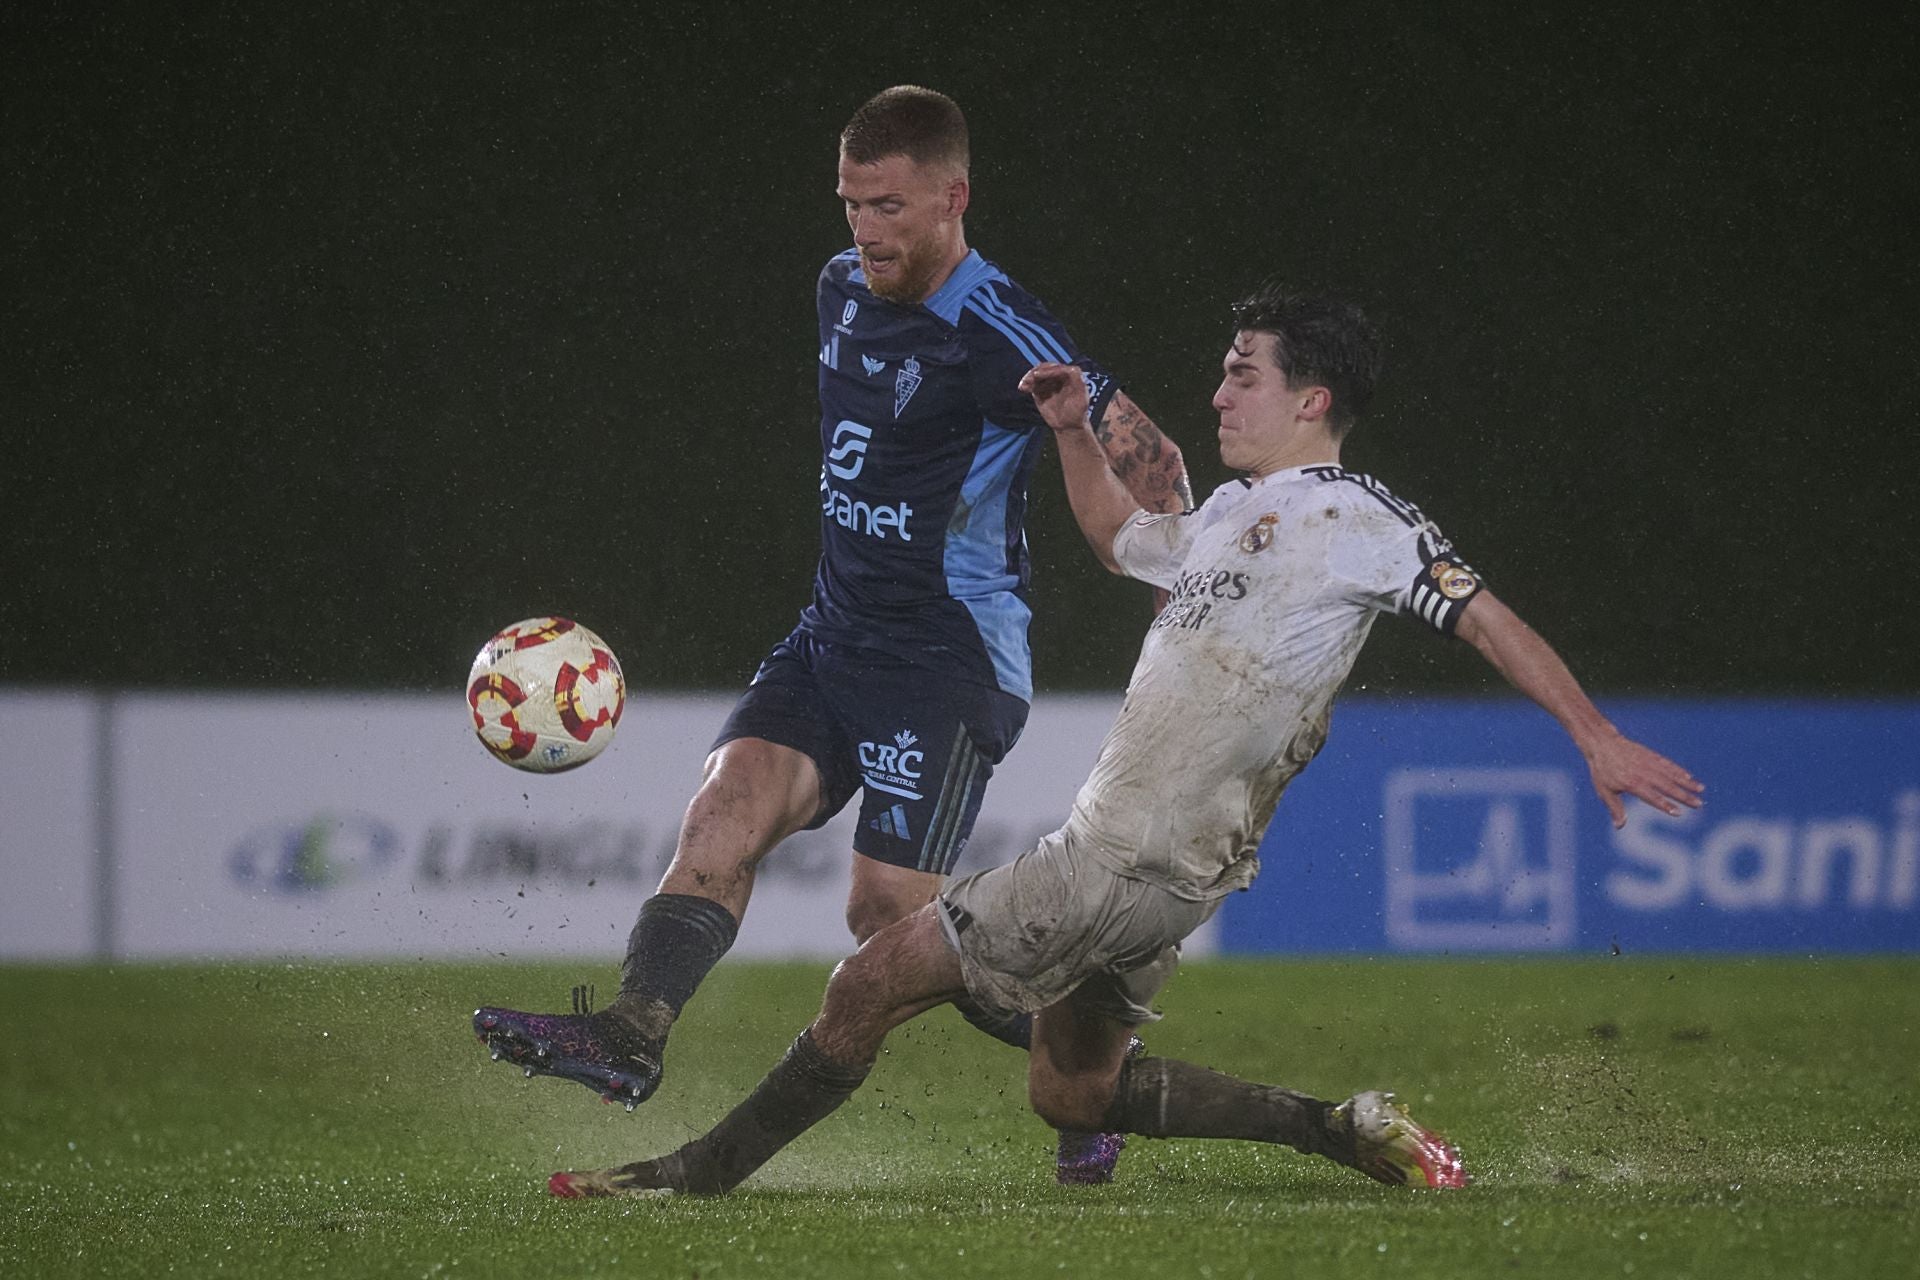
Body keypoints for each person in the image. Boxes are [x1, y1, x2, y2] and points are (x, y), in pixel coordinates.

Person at [540, 284, 1706, 1199]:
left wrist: (1594, 736)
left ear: (1313, 400)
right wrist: (1068, 434)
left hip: (1111, 860)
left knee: (866, 978)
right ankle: (1337, 1126)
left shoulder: (1363, 518)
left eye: (1243, 375)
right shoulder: (1231, 518)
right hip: (1176, 878)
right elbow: (1121, 542)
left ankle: (693, 1173)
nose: (1216, 394)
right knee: (1070, 1089)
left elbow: (1485, 613)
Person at [473, 86, 1192, 1185]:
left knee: (888, 917)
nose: (866, 229)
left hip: (947, 659)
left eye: (890, 206)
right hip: (829, 636)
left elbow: (1159, 464)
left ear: (955, 198)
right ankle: (630, 1034)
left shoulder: (1005, 330)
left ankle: (1087, 1071)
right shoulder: (838, 287)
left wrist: (1175, 635)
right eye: (852, 202)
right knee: (723, 807)